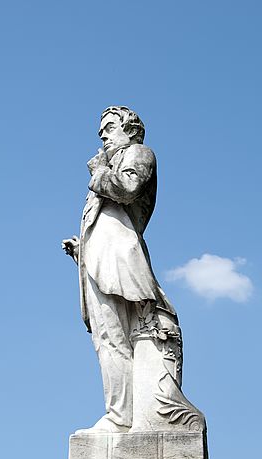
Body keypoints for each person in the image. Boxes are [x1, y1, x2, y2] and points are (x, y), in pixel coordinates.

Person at [62, 106, 187, 433]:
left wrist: (99, 172)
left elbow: (128, 188)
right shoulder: (112, 161)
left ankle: (120, 417)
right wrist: (83, 251)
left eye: (109, 127)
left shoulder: (138, 153)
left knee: (118, 339)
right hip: (101, 260)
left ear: (130, 130)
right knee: (109, 340)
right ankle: (121, 414)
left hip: (120, 261)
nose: (102, 134)